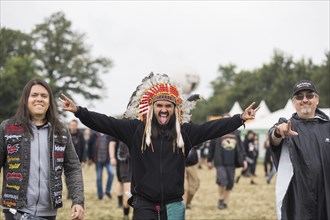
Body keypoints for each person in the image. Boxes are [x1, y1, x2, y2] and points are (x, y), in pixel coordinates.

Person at [60, 72, 258, 220]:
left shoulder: (185, 133)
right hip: (144, 205)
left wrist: (239, 118)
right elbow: (105, 122)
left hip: (174, 205)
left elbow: (212, 128)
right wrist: (79, 111)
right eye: (160, 105)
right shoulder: (135, 130)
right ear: (152, 107)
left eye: (168, 106)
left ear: (174, 109)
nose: (164, 109)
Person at [0, 78, 84, 220]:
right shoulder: (7, 128)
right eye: (34, 95)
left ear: (49, 101)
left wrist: (78, 200)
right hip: (15, 209)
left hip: (49, 211)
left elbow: (73, 167)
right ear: (26, 99)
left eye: (44, 96)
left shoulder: (61, 131)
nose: (39, 99)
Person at [268, 80, 329, 220]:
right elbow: (274, 139)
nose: (305, 100)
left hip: (325, 198)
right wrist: (278, 132)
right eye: (299, 97)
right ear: (293, 102)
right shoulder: (286, 125)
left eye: (309, 95)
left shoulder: (327, 127)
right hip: (297, 200)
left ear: (317, 99)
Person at [207, 113, 247, 210]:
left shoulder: (236, 133)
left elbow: (241, 148)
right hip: (219, 161)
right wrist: (209, 160)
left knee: (230, 183)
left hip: (232, 161)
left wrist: (244, 159)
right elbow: (211, 147)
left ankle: (225, 202)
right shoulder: (216, 132)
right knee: (222, 181)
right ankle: (220, 199)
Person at [109, 138, 132, 220]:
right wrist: (112, 157)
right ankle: (126, 214)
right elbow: (112, 143)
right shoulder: (120, 127)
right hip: (125, 165)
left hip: (139, 165)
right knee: (129, 194)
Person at [88, 131, 114, 200]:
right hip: (98, 160)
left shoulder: (109, 135)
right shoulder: (94, 135)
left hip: (107, 160)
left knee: (111, 174)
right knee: (99, 178)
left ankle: (107, 191)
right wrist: (90, 158)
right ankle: (100, 195)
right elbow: (89, 146)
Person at [183, 146, 200, 210]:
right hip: (180, 163)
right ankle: (183, 206)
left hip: (193, 164)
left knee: (194, 186)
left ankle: (187, 202)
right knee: (184, 187)